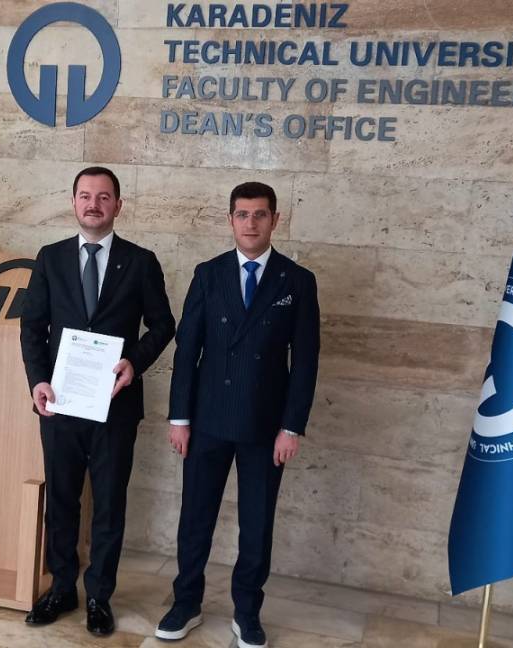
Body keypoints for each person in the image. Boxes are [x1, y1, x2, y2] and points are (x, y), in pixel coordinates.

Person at [155, 182, 320, 648]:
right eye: (242, 214)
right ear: (230, 220)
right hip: (207, 420)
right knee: (195, 518)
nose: (251, 223)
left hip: (265, 426)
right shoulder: (208, 274)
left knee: (257, 524)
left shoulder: (297, 281)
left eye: (260, 214)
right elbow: (188, 350)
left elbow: (305, 361)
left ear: (275, 220)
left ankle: (247, 612)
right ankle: (186, 603)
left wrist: (292, 426)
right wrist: (179, 418)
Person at [19, 166, 176, 637]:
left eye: (103, 197)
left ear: (118, 205)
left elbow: (163, 324)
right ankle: (61, 587)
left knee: (109, 503)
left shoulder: (141, 261)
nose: (93, 204)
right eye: (85, 195)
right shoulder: (50, 258)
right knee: (61, 500)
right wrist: (37, 381)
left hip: (115, 404)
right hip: (60, 402)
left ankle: (98, 596)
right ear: (73, 202)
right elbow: (33, 327)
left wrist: (135, 362)